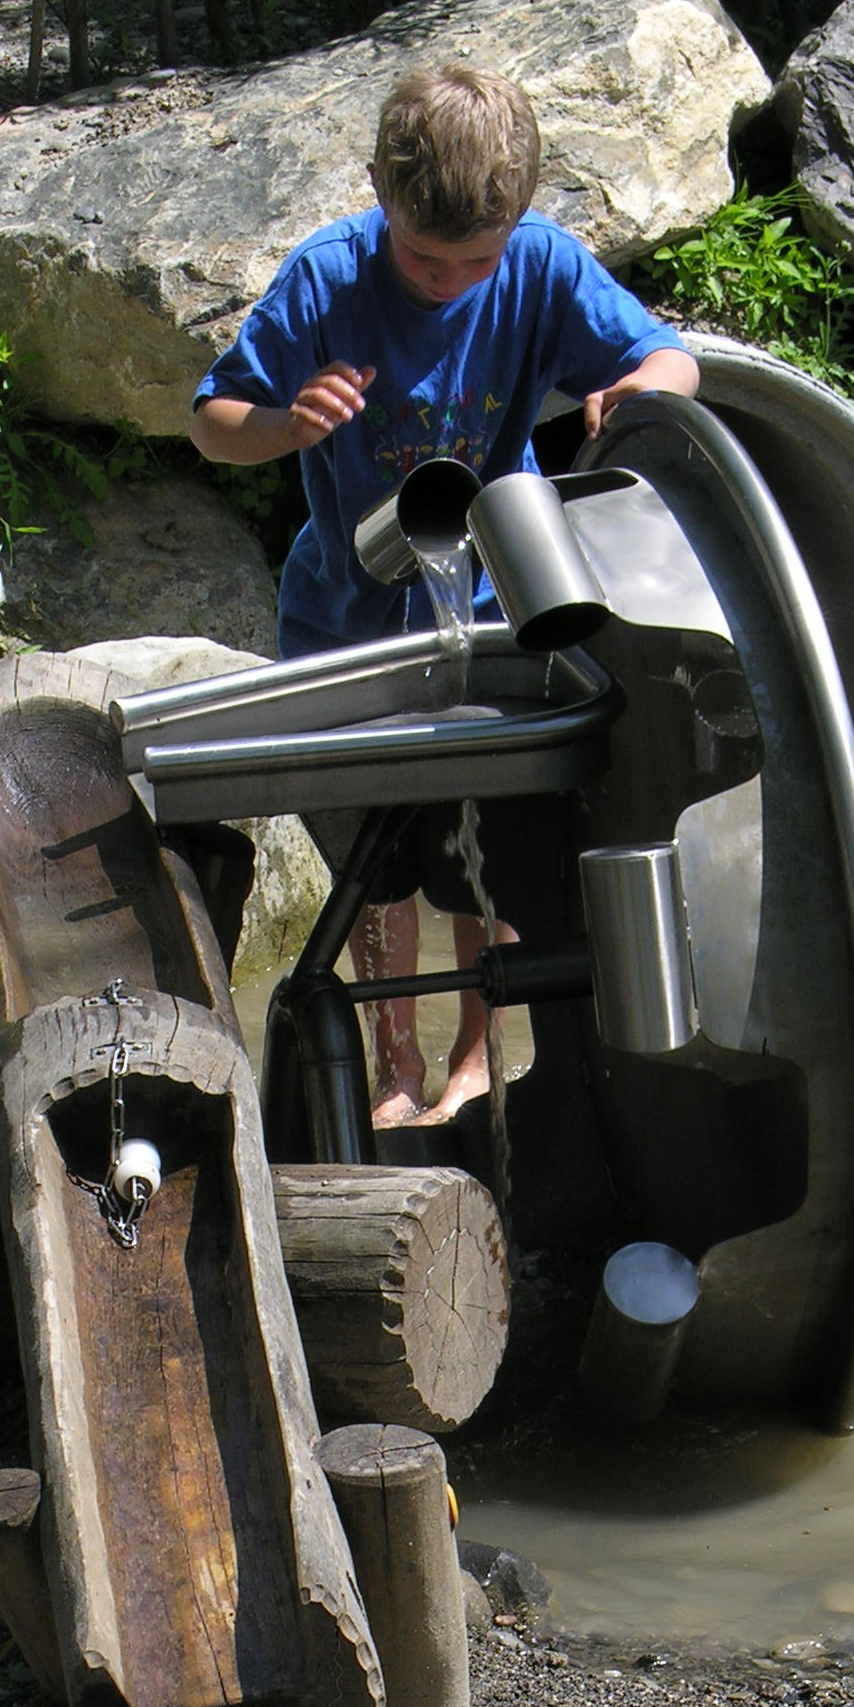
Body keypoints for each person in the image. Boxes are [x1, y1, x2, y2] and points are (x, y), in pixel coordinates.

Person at [190, 62, 700, 1126]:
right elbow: (212, 419)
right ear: (378, 188)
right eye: (422, 258)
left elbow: (673, 364)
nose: (445, 281)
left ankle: (476, 1053)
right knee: (377, 865)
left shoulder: (541, 267)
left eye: (475, 262)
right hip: (345, 622)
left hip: (492, 616)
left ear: (513, 227)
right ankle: (393, 1058)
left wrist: (630, 388)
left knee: (490, 862)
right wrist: (284, 425)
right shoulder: (328, 281)